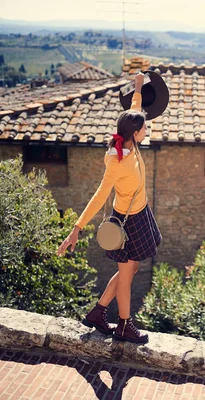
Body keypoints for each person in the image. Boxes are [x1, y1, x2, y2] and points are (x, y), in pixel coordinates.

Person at [56, 73, 162, 345]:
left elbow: (135, 110)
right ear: (135, 133)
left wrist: (138, 87)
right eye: (144, 128)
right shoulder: (116, 161)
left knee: (132, 269)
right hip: (126, 223)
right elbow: (100, 194)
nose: (147, 130)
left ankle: (97, 312)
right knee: (127, 276)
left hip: (139, 214)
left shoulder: (130, 139)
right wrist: (77, 228)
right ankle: (124, 325)